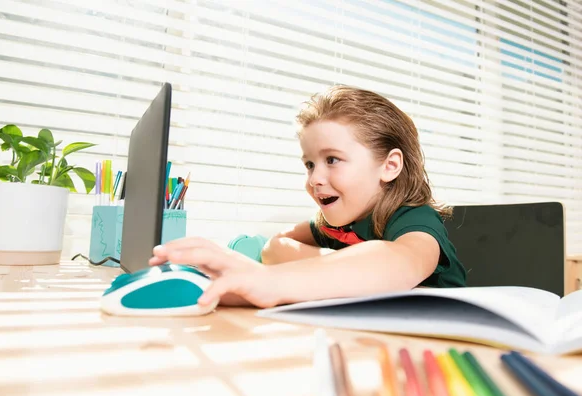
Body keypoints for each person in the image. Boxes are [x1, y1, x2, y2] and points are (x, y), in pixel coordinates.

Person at [150, 85, 467, 308]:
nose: (315, 179)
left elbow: (401, 263)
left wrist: (275, 281)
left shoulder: (413, 218)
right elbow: (275, 246)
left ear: (390, 165)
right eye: (309, 164)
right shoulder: (335, 224)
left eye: (332, 160)